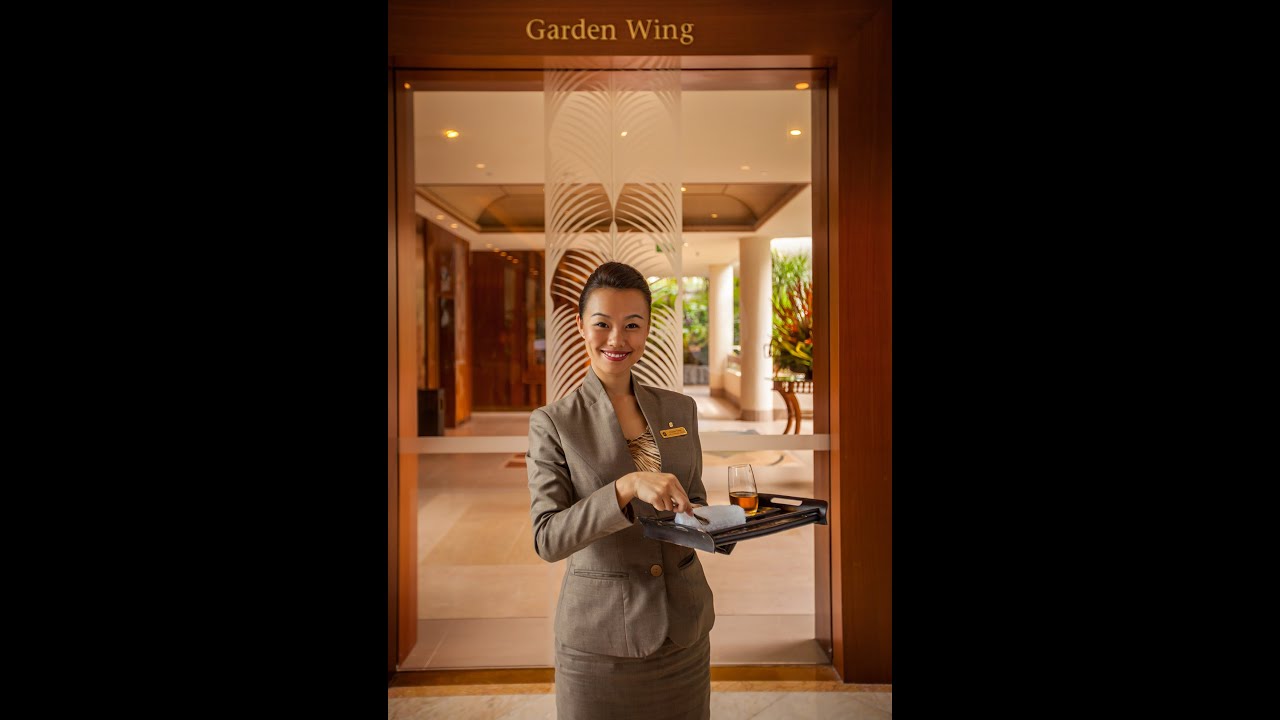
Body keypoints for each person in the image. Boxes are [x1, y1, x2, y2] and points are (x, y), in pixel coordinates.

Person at [526, 261, 714, 720]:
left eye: (632, 325)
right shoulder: (553, 423)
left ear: (647, 329)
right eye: (602, 324)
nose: (617, 339)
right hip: (600, 642)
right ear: (580, 326)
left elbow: (694, 500)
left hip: (683, 634)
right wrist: (625, 487)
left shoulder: (680, 409)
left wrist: (727, 524)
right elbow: (548, 538)